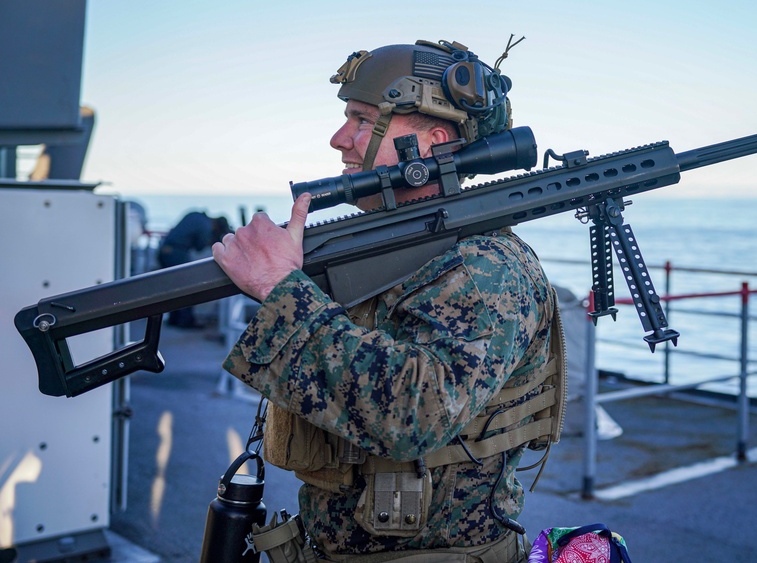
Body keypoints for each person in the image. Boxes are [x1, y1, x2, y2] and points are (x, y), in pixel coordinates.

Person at [213, 39, 563, 562]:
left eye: (361, 120)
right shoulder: (384, 246)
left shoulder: (484, 265)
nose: (339, 139)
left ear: (434, 143)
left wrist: (278, 289)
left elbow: (414, 413)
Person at [158, 210, 231, 327]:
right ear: (216, 225)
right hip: (177, 253)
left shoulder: (196, 215)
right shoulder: (206, 226)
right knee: (186, 288)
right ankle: (185, 321)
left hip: (164, 250)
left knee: (173, 289)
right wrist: (213, 240)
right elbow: (199, 246)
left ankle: (174, 320)